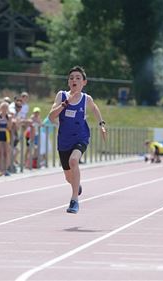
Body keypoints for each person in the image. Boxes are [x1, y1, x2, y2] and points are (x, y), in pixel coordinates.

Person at [48, 66, 107, 214]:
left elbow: (94, 109)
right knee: (69, 177)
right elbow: (51, 117)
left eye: (78, 78)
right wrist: (67, 102)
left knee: (74, 160)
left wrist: (101, 124)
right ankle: (76, 185)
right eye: (72, 77)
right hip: (64, 141)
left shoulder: (86, 99)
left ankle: (74, 200)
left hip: (81, 137)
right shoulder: (61, 96)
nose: (74, 80)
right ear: (68, 82)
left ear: (84, 82)